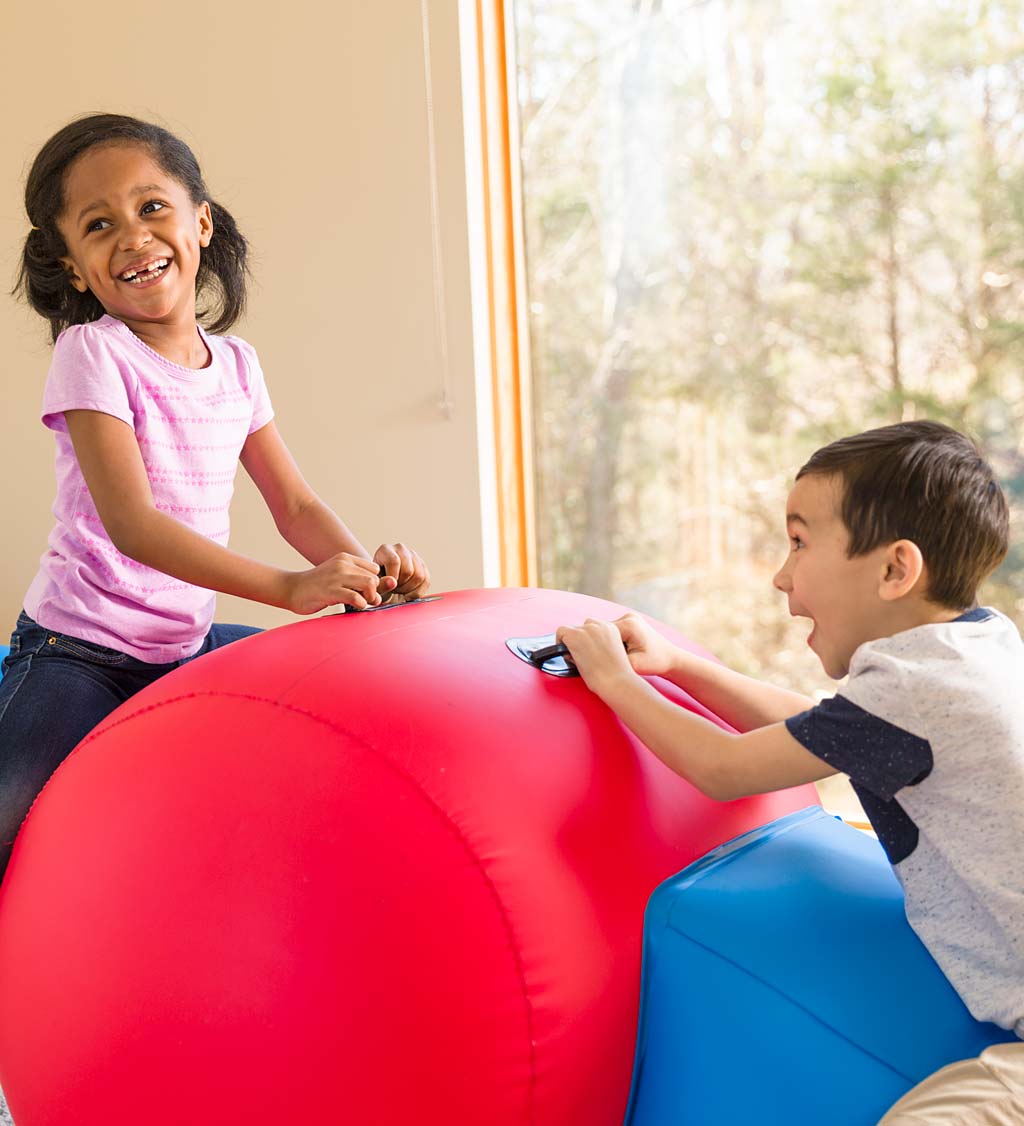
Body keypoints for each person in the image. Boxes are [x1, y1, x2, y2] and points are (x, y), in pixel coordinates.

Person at [0, 113, 430, 878]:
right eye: (99, 225)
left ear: (200, 222)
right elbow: (134, 526)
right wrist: (289, 587)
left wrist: (364, 578)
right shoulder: (92, 352)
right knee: (6, 813)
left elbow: (293, 505)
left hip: (184, 647)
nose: (132, 236)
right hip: (81, 652)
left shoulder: (235, 366)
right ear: (71, 265)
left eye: (152, 208)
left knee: (324, 705)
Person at [557, 421, 1023, 1125]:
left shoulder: (917, 688)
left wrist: (615, 682)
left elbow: (721, 769)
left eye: (800, 543)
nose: (782, 576)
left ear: (895, 570)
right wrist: (682, 667)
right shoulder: (970, 650)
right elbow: (812, 725)